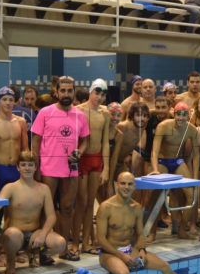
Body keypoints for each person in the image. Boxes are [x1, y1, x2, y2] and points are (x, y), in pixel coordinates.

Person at [97, 172, 200, 274]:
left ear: (134, 186)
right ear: (117, 185)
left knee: (164, 266)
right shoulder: (106, 207)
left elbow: (140, 234)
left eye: (130, 184)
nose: (126, 187)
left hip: (130, 250)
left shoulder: (136, 207)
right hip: (110, 253)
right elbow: (101, 240)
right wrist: (121, 255)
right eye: (123, 183)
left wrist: (141, 249)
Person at [31, 76, 90, 260]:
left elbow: (85, 140)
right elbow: (35, 141)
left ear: (74, 92)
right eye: (62, 91)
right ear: (56, 92)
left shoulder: (80, 115)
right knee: (45, 210)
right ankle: (43, 251)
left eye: (69, 91)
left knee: (67, 208)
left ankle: (63, 250)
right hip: (48, 169)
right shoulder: (45, 112)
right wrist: (36, 168)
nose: (66, 94)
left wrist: (80, 151)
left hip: (70, 168)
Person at [0, 151, 67, 274]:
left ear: (36, 167)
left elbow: (51, 216)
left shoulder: (44, 189)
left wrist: (42, 235)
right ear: (18, 167)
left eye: (30, 165)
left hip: (35, 233)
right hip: (16, 234)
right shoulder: (10, 188)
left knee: (61, 243)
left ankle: (38, 253)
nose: (27, 168)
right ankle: (11, 263)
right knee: (12, 234)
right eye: (23, 165)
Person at [0, 86, 29, 265]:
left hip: (15, 170)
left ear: (15, 102)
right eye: (4, 99)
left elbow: (25, 149)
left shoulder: (20, 122)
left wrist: (27, 171)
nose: (8, 103)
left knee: (15, 212)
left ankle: (12, 249)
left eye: (11, 100)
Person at [150, 102, 199, 238]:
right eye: (178, 114)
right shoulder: (163, 126)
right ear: (174, 114)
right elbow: (155, 151)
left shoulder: (192, 130)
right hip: (162, 161)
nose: (181, 118)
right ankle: (152, 232)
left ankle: (182, 229)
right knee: (156, 195)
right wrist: (155, 169)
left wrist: (195, 177)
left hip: (177, 161)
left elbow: (196, 155)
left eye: (184, 115)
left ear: (188, 115)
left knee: (191, 195)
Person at [76, 79, 110, 256]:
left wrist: (106, 168)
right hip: (81, 160)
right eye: (97, 93)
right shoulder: (78, 110)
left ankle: (86, 244)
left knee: (91, 203)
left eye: (103, 94)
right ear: (90, 92)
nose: (99, 97)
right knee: (81, 202)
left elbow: (105, 143)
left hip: (97, 160)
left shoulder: (105, 113)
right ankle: (76, 242)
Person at [109, 102, 150, 186]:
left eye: (145, 116)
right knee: (107, 191)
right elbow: (113, 155)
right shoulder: (122, 126)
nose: (142, 119)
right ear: (132, 116)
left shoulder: (142, 128)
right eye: (138, 115)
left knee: (130, 185)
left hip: (120, 163)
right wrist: (109, 182)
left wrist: (130, 154)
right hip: (108, 162)